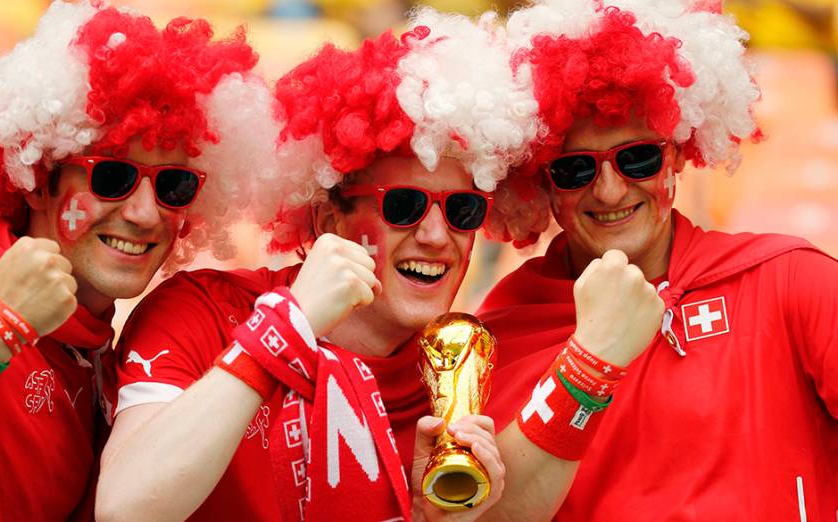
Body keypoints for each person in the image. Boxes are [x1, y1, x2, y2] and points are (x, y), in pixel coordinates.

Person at [95, 9, 542, 521]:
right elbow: (125, 510)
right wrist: (286, 331)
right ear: (330, 220)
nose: (437, 236)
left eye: (463, 211)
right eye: (404, 206)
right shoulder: (205, 313)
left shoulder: (460, 375)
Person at [475, 0, 838, 520]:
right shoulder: (501, 334)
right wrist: (590, 360)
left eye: (638, 158)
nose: (608, 191)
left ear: (675, 157)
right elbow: (491, 514)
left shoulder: (789, 281)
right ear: (541, 183)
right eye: (575, 169)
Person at [0, 1, 276, 518]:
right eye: (112, 176)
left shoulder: (86, 334)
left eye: (174, 185)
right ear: (39, 179)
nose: (144, 213)